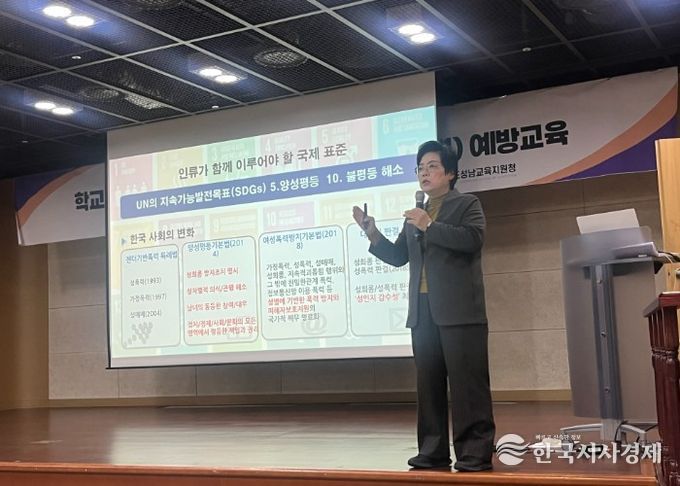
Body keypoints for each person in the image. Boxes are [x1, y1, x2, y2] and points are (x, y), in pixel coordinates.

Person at [352, 140, 495, 472]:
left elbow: (472, 240)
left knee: (468, 386)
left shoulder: (466, 204)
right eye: (420, 168)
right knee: (429, 385)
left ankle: (474, 452)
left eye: (432, 166)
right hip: (423, 311)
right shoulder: (415, 215)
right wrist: (372, 233)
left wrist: (429, 225)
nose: (424, 173)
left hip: (461, 312)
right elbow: (398, 257)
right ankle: (432, 451)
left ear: (450, 173)